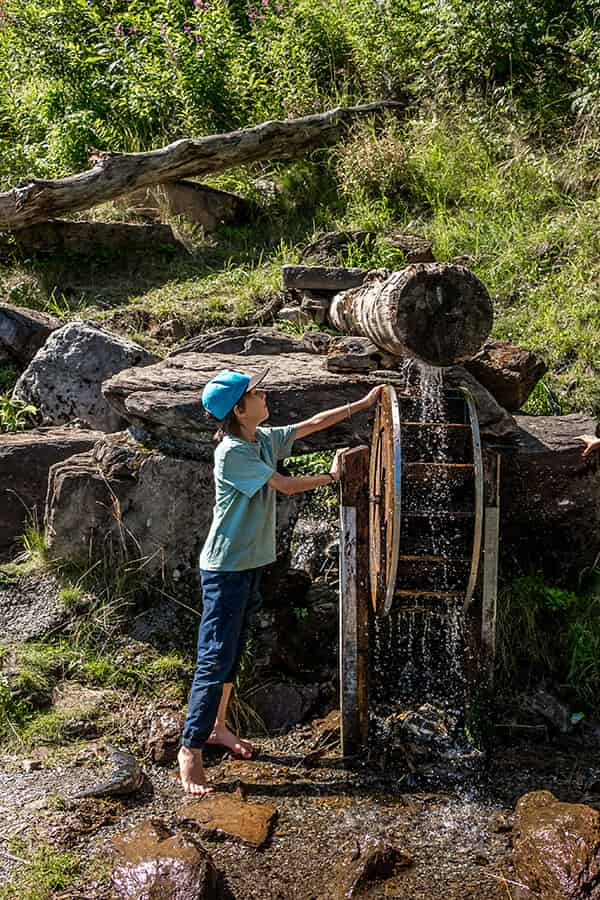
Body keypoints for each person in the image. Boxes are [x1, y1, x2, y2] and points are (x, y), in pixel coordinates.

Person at [178, 368, 382, 794]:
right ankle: (190, 750)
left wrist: (362, 404)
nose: (265, 393)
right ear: (239, 408)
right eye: (257, 392)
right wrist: (333, 477)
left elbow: (311, 424)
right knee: (215, 656)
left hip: (248, 564)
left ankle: (217, 727)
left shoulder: (261, 439)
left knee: (233, 651)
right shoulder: (233, 451)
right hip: (226, 569)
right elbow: (285, 486)